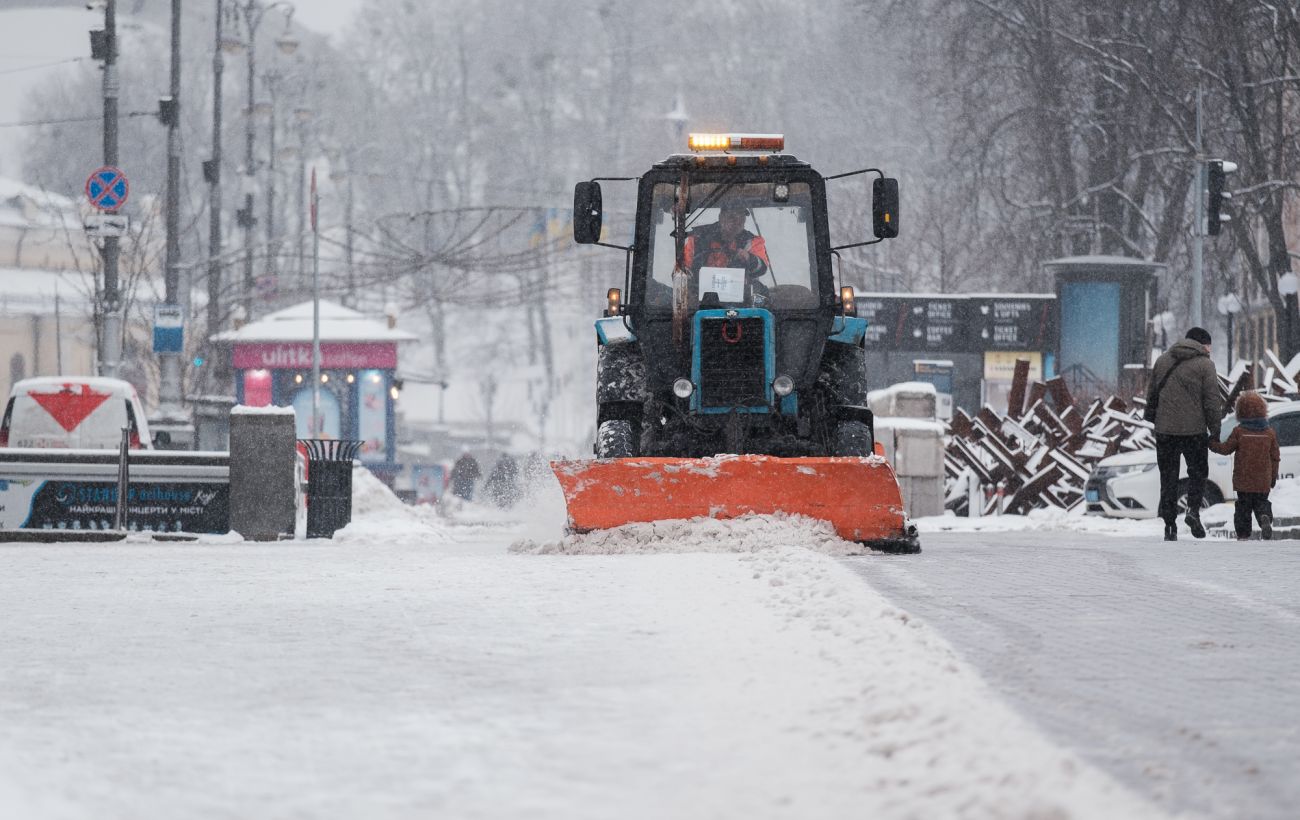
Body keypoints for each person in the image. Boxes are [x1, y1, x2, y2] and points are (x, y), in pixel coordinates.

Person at [1145, 326, 1223, 541]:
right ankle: (1192, 511)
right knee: (1198, 473)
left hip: (1165, 432)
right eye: (1209, 346)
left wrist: (1156, 420)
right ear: (1203, 344)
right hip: (1194, 432)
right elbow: (1212, 401)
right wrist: (1215, 430)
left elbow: (1152, 394)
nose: (1209, 351)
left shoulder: (1162, 361)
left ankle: (1170, 525)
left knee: (1168, 477)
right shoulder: (1205, 365)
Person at [1208, 391, 1279, 540]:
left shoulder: (1239, 432)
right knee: (1261, 502)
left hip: (1243, 478)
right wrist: (1273, 477)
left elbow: (1226, 449)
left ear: (1240, 411)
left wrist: (1212, 444)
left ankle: (1243, 534)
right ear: (1262, 410)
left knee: (1243, 507)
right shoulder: (1269, 433)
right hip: (1262, 480)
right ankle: (1264, 516)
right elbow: (1275, 457)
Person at [683, 203, 771, 301]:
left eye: (741, 218)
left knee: (764, 296)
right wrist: (689, 284)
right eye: (732, 217)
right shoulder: (698, 238)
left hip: (741, 299)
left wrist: (749, 258)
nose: (737, 222)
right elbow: (682, 271)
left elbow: (762, 268)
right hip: (701, 299)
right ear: (721, 217)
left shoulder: (752, 241)